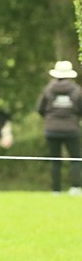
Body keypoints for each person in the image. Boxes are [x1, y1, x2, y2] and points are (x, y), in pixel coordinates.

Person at [36, 60, 82, 195]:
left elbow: (40, 109)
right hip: (71, 128)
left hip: (52, 129)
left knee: (55, 160)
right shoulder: (77, 90)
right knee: (75, 158)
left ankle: (56, 190)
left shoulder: (48, 89)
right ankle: (75, 187)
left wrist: (50, 118)